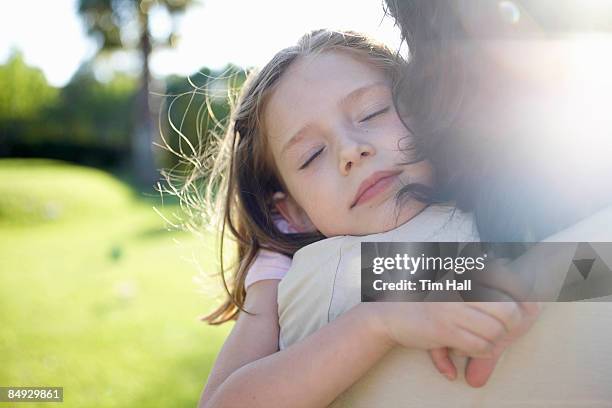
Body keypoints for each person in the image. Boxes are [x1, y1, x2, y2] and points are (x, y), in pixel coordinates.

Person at [193, 29, 536, 408]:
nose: (351, 150)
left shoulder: (500, 191)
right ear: (293, 213)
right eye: (311, 155)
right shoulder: (335, 273)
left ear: (423, 110)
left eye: (371, 113)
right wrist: (379, 320)